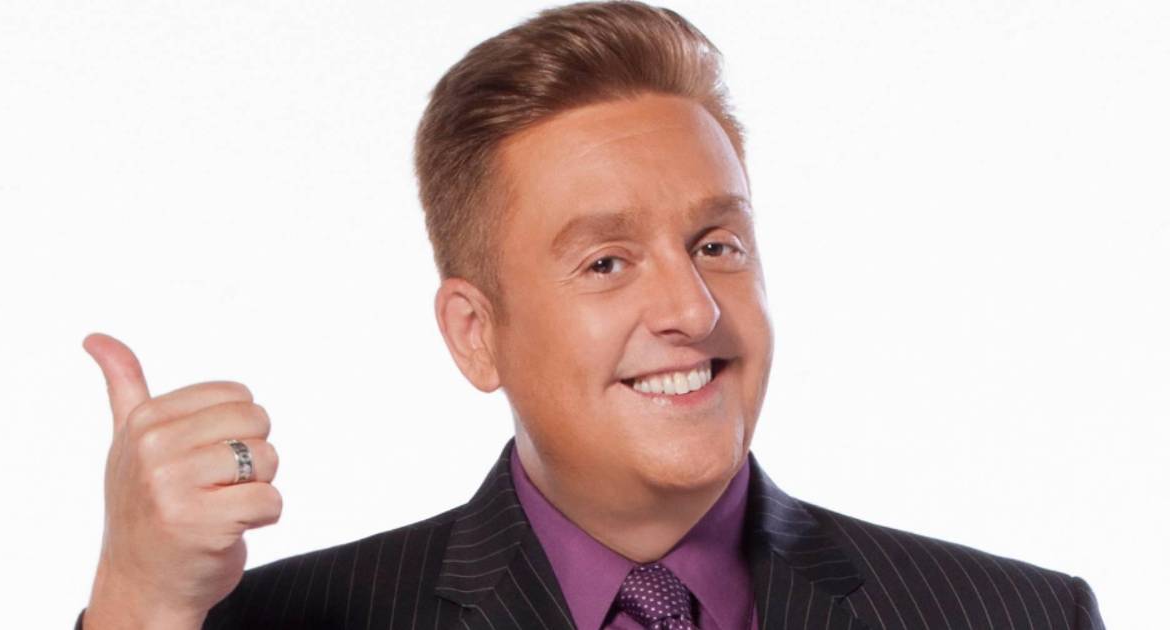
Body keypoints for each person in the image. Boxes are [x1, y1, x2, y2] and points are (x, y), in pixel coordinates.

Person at [76, 1, 1106, 628]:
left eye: (717, 245)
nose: (692, 307)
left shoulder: (1021, 617)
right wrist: (136, 604)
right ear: (475, 334)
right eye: (607, 261)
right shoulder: (273, 625)